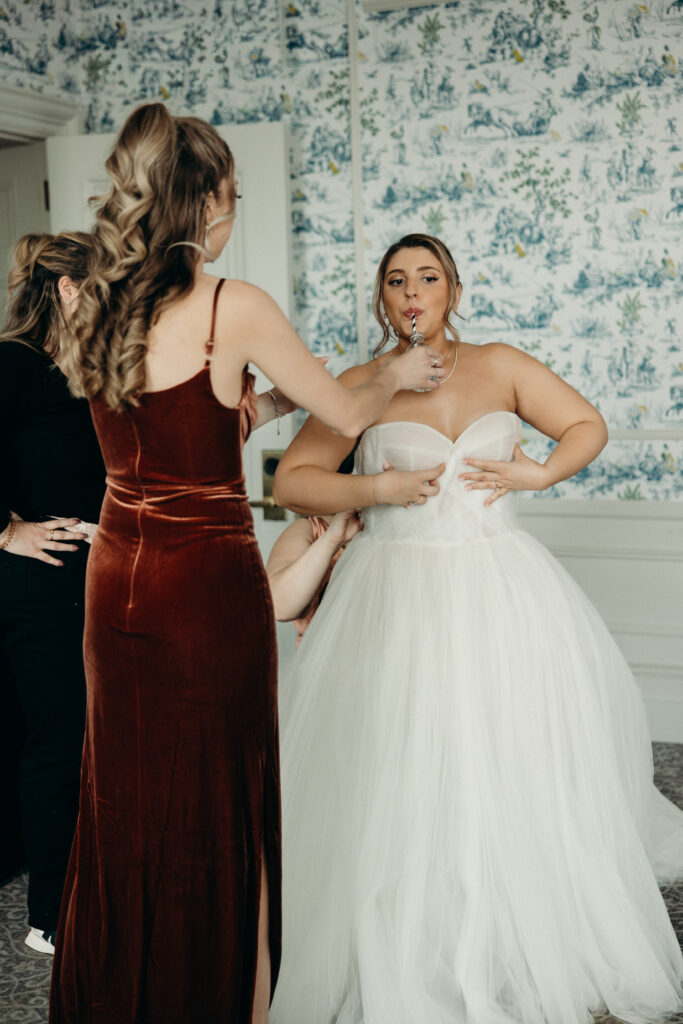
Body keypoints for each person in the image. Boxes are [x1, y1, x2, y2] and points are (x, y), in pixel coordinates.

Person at [48, 107, 444, 1024]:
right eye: (233, 197)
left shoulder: (85, 297)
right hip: (202, 584)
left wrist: (258, 399)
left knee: (126, 793)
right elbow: (342, 418)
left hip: (117, 578)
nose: (234, 214)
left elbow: (179, 424)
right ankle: (231, 1004)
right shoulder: (234, 303)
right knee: (224, 798)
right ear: (207, 204)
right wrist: (391, 373)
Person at [270, 233, 683, 1024]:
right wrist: (379, 484)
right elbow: (295, 478)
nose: (412, 291)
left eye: (427, 276)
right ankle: (408, 925)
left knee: (507, 748)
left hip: (500, 586)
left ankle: (516, 911)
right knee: (403, 752)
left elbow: (585, 426)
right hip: (393, 590)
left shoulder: (499, 363)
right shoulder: (360, 384)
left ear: (453, 287)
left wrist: (537, 471)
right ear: (381, 300)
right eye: (396, 280)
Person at [0, 232, 105, 955]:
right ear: (68, 291)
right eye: (108, 288)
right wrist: (8, 533)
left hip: (94, 582)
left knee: (93, 742)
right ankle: (50, 915)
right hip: (39, 589)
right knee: (57, 746)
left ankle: (94, 893)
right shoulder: (11, 362)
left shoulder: (83, 370)